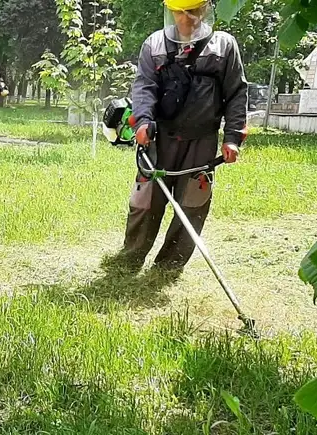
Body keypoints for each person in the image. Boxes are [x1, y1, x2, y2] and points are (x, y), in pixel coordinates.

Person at [118, 0, 248, 272]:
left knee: (193, 203)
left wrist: (233, 137)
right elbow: (144, 87)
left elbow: (236, 93)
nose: (186, 18)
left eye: (192, 11)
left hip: (201, 139)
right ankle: (131, 258)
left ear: (205, 10)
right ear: (171, 12)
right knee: (145, 201)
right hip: (159, 138)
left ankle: (169, 265)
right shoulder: (154, 45)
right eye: (179, 12)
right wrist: (142, 121)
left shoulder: (223, 46)